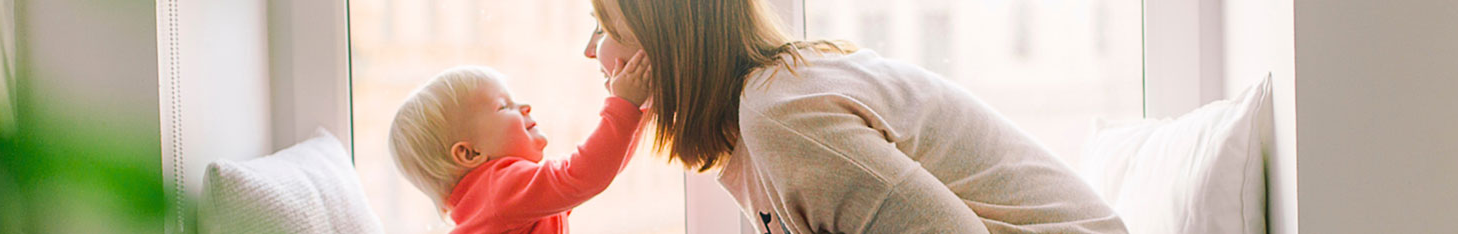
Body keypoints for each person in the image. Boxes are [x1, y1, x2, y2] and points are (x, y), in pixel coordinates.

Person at [583, 0, 1129, 233]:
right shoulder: (768, 107)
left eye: (603, 26)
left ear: (664, 39)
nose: (591, 51)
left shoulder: (782, 115)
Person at [386, 63, 651, 234]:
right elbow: (583, 175)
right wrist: (624, 104)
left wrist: (639, 112)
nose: (524, 105)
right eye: (503, 106)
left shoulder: (501, 200)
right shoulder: (500, 189)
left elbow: (600, 168)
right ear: (470, 153)